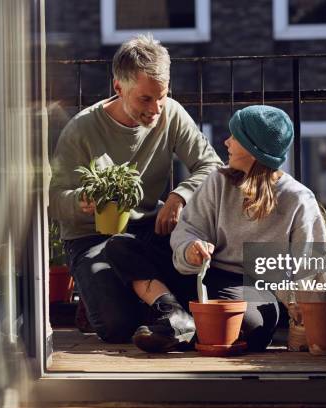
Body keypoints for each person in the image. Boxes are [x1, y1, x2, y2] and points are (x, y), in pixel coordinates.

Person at [49, 34, 222, 344]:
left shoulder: (171, 113)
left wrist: (179, 195)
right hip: (91, 238)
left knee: (202, 255)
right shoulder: (81, 130)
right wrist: (82, 201)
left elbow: (211, 165)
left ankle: (159, 309)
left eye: (162, 96)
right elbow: (54, 200)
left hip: (145, 229)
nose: (156, 108)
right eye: (145, 99)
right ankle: (116, 302)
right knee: (117, 327)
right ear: (119, 87)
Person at [169, 105, 326, 351]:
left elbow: (310, 266)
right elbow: (188, 229)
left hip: (258, 288)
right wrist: (190, 248)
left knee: (253, 323)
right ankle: (185, 323)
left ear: (253, 150)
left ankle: (181, 329)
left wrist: (302, 311)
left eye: (235, 137)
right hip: (206, 274)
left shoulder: (298, 199)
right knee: (125, 249)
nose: (226, 142)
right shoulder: (217, 181)